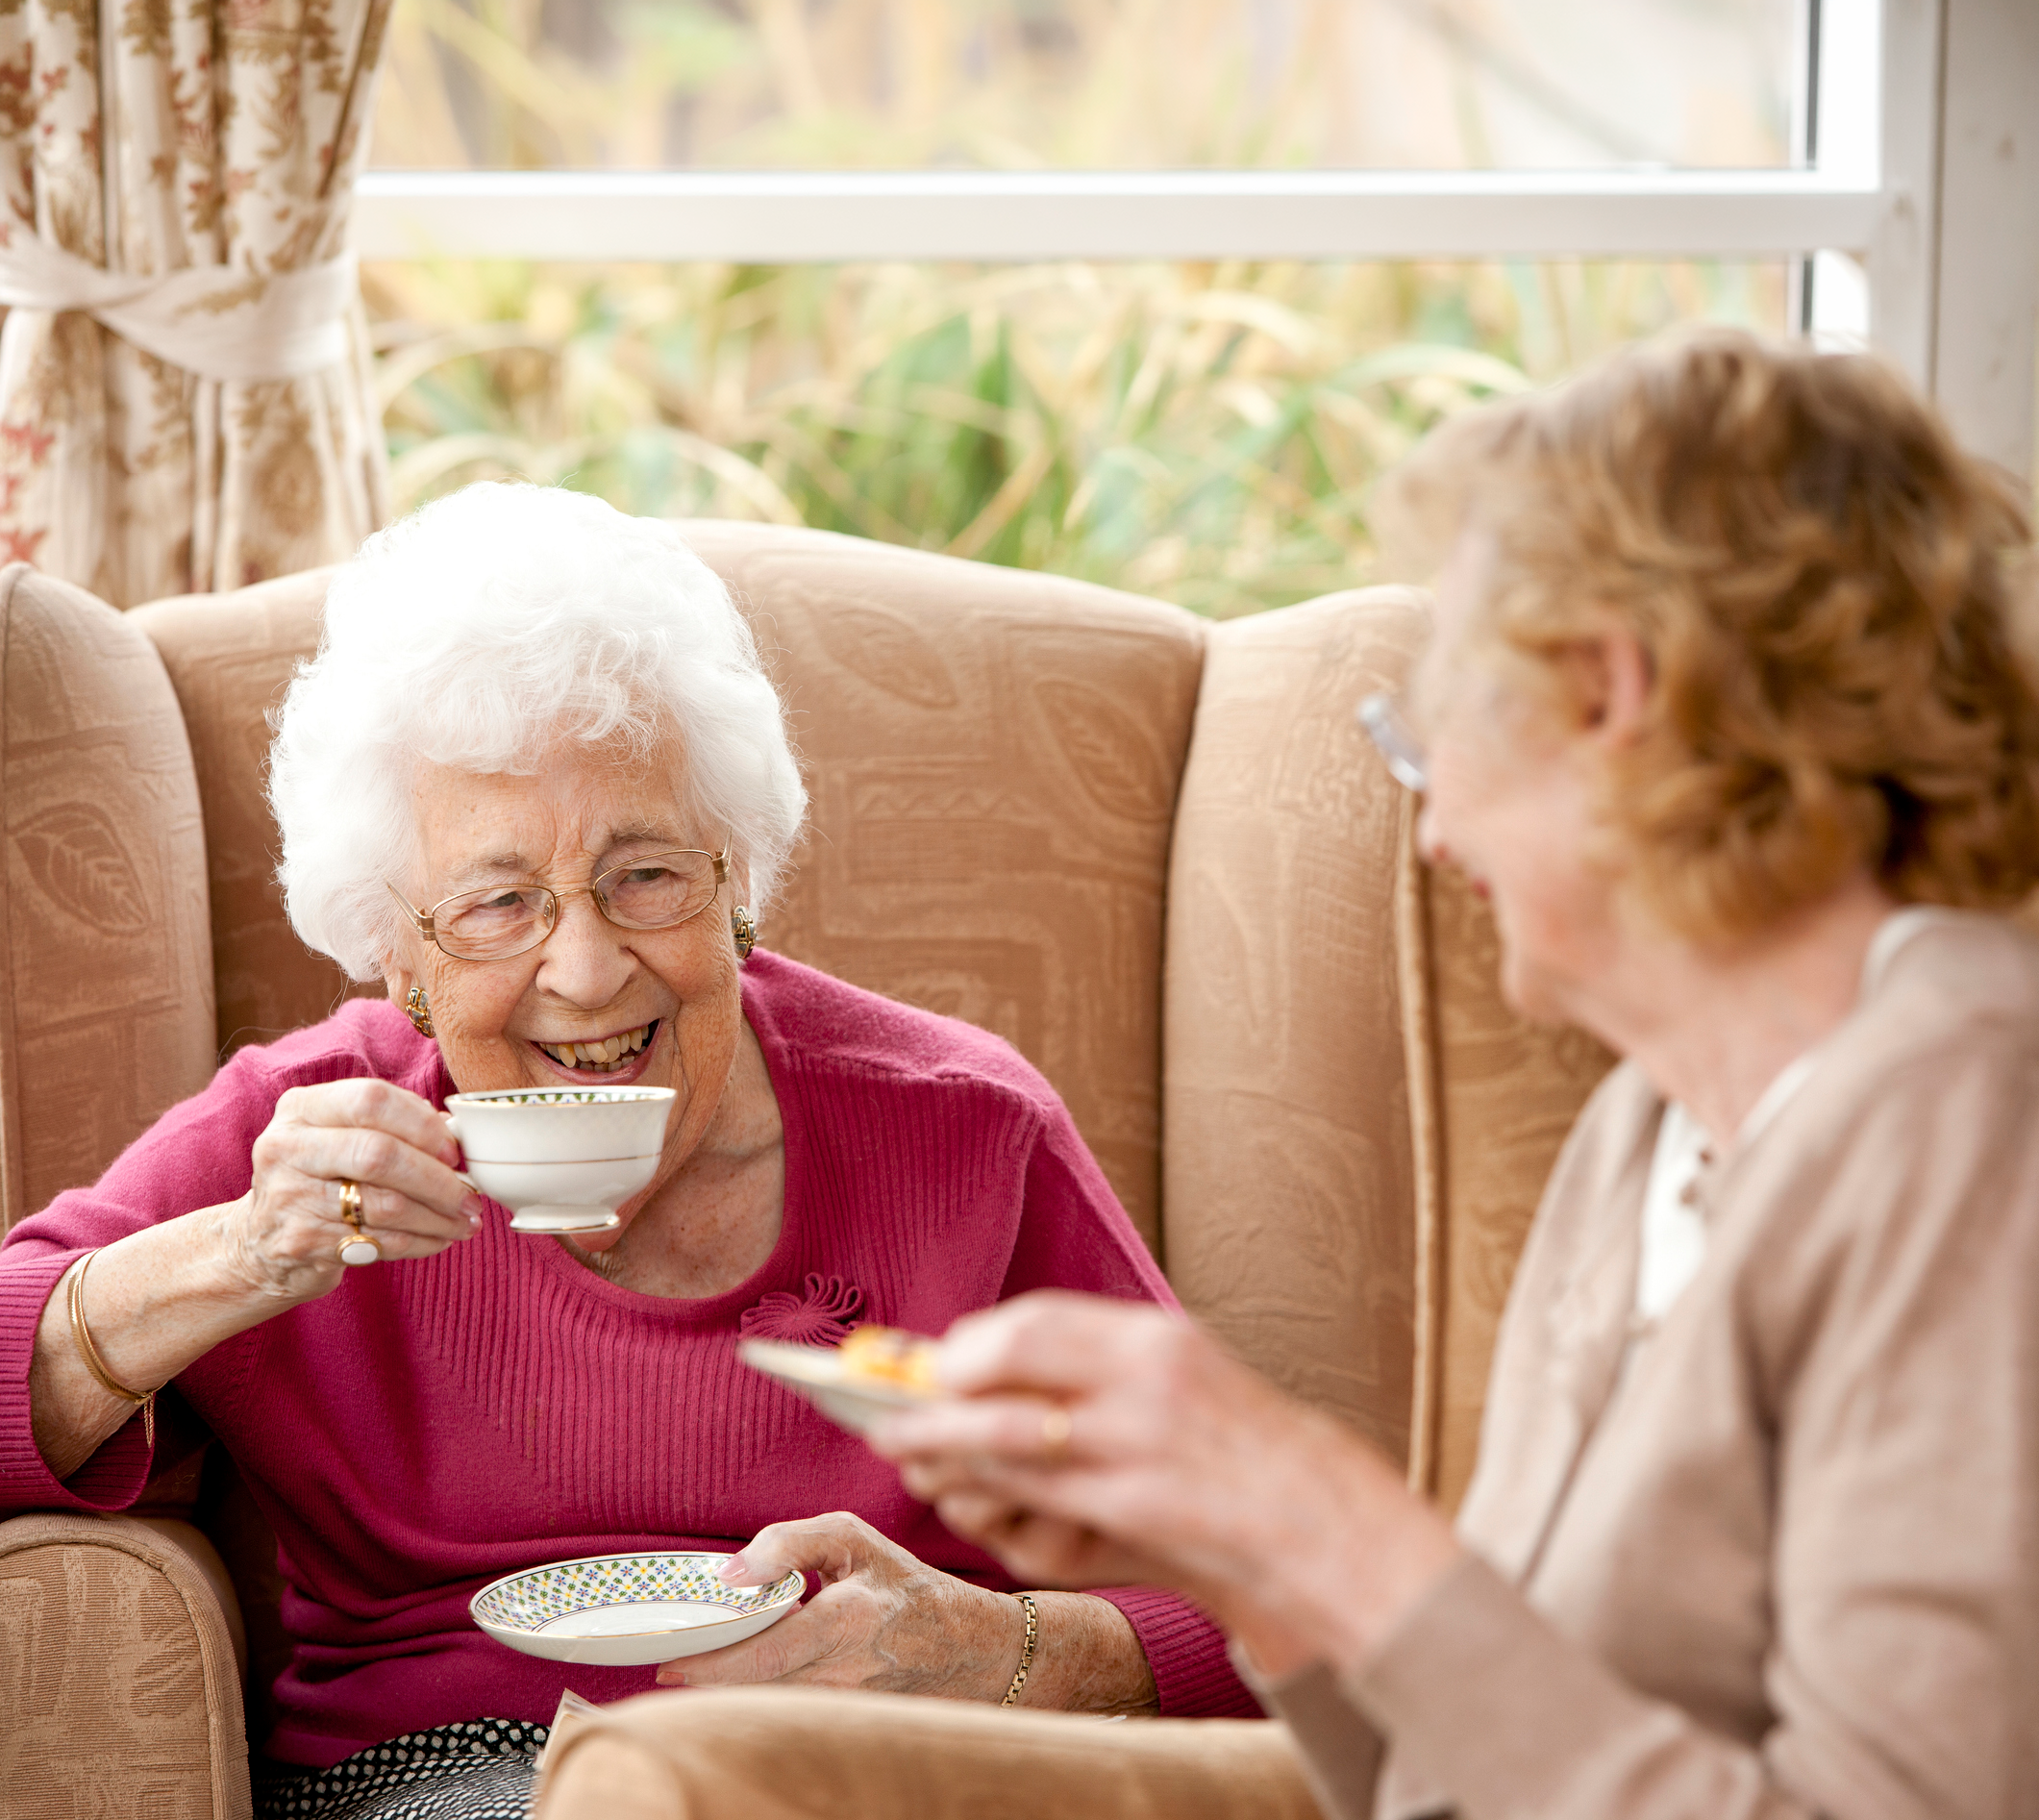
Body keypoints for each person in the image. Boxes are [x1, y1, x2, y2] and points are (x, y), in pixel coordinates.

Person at [535, 332, 2039, 1820]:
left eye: (1435, 730)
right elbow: (1451, 1778)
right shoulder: (1649, 1132)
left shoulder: (1972, 1132)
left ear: (1607, 695)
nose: (1436, 833)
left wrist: (1324, 1523)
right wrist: (1235, 1555)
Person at [0, 483, 1256, 1820]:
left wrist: (996, 1655)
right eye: (498, 904)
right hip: (450, 1776)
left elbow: (1264, 1577)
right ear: (398, 955)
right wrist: (231, 1257)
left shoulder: (957, 1127)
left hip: (890, 1784)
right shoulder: (320, 1136)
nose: (589, 968)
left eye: (647, 873)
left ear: (739, 886)